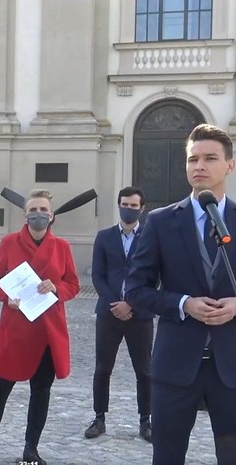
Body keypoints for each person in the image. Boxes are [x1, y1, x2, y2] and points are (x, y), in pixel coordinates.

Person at [125, 123, 236, 465]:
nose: (199, 166)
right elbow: (136, 290)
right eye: (192, 159)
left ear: (229, 165)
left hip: (231, 367)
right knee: (167, 457)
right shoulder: (160, 221)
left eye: (210, 158)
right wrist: (183, 304)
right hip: (175, 367)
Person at [0, 189, 80, 465]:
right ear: (25, 215)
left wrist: (56, 288)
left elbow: (73, 284)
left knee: (41, 393)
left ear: (52, 215)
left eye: (43, 210)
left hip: (48, 331)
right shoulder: (10, 242)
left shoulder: (62, 246)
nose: (38, 214)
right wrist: (7, 298)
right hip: (16, 329)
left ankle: (31, 450)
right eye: (33, 210)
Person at [84, 186, 153, 442]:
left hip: (140, 314)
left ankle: (146, 421)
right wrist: (115, 303)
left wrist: (131, 304)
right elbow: (98, 275)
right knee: (103, 368)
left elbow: (154, 277)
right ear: (119, 205)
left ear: (142, 208)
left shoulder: (150, 237)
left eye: (134, 206)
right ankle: (99, 418)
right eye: (125, 204)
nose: (129, 209)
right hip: (108, 313)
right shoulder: (104, 237)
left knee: (144, 370)